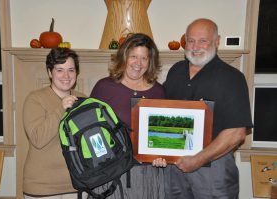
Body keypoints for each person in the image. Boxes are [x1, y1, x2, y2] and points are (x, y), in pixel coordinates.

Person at [159, 18, 253, 198]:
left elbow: (236, 133)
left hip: (214, 168)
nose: (196, 46)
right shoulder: (176, 71)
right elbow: (163, 111)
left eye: (203, 40)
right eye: (191, 40)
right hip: (174, 166)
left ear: (217, 42)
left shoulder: (232, 78)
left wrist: (198, 160)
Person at [90, 33, 166, 198]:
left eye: (144, 58)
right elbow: (91, 130)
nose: (138, 64)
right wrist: (102, 159)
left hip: (146, 174)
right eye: (133, 57)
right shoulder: (104, 87)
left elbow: (161, 132)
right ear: (124, 57)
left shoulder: (159, 91)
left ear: (150, 62)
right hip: (110, 172)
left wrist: (161, 155)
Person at [23, 48, 88, 199]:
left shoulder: (83, 98)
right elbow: (38, 139)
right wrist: (61, 108)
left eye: (71, 70)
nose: (66, 76)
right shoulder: (35, 99)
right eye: (60, 70)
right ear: (49, 72)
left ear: (76, 73)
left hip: (77, 183)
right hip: (42, 187)